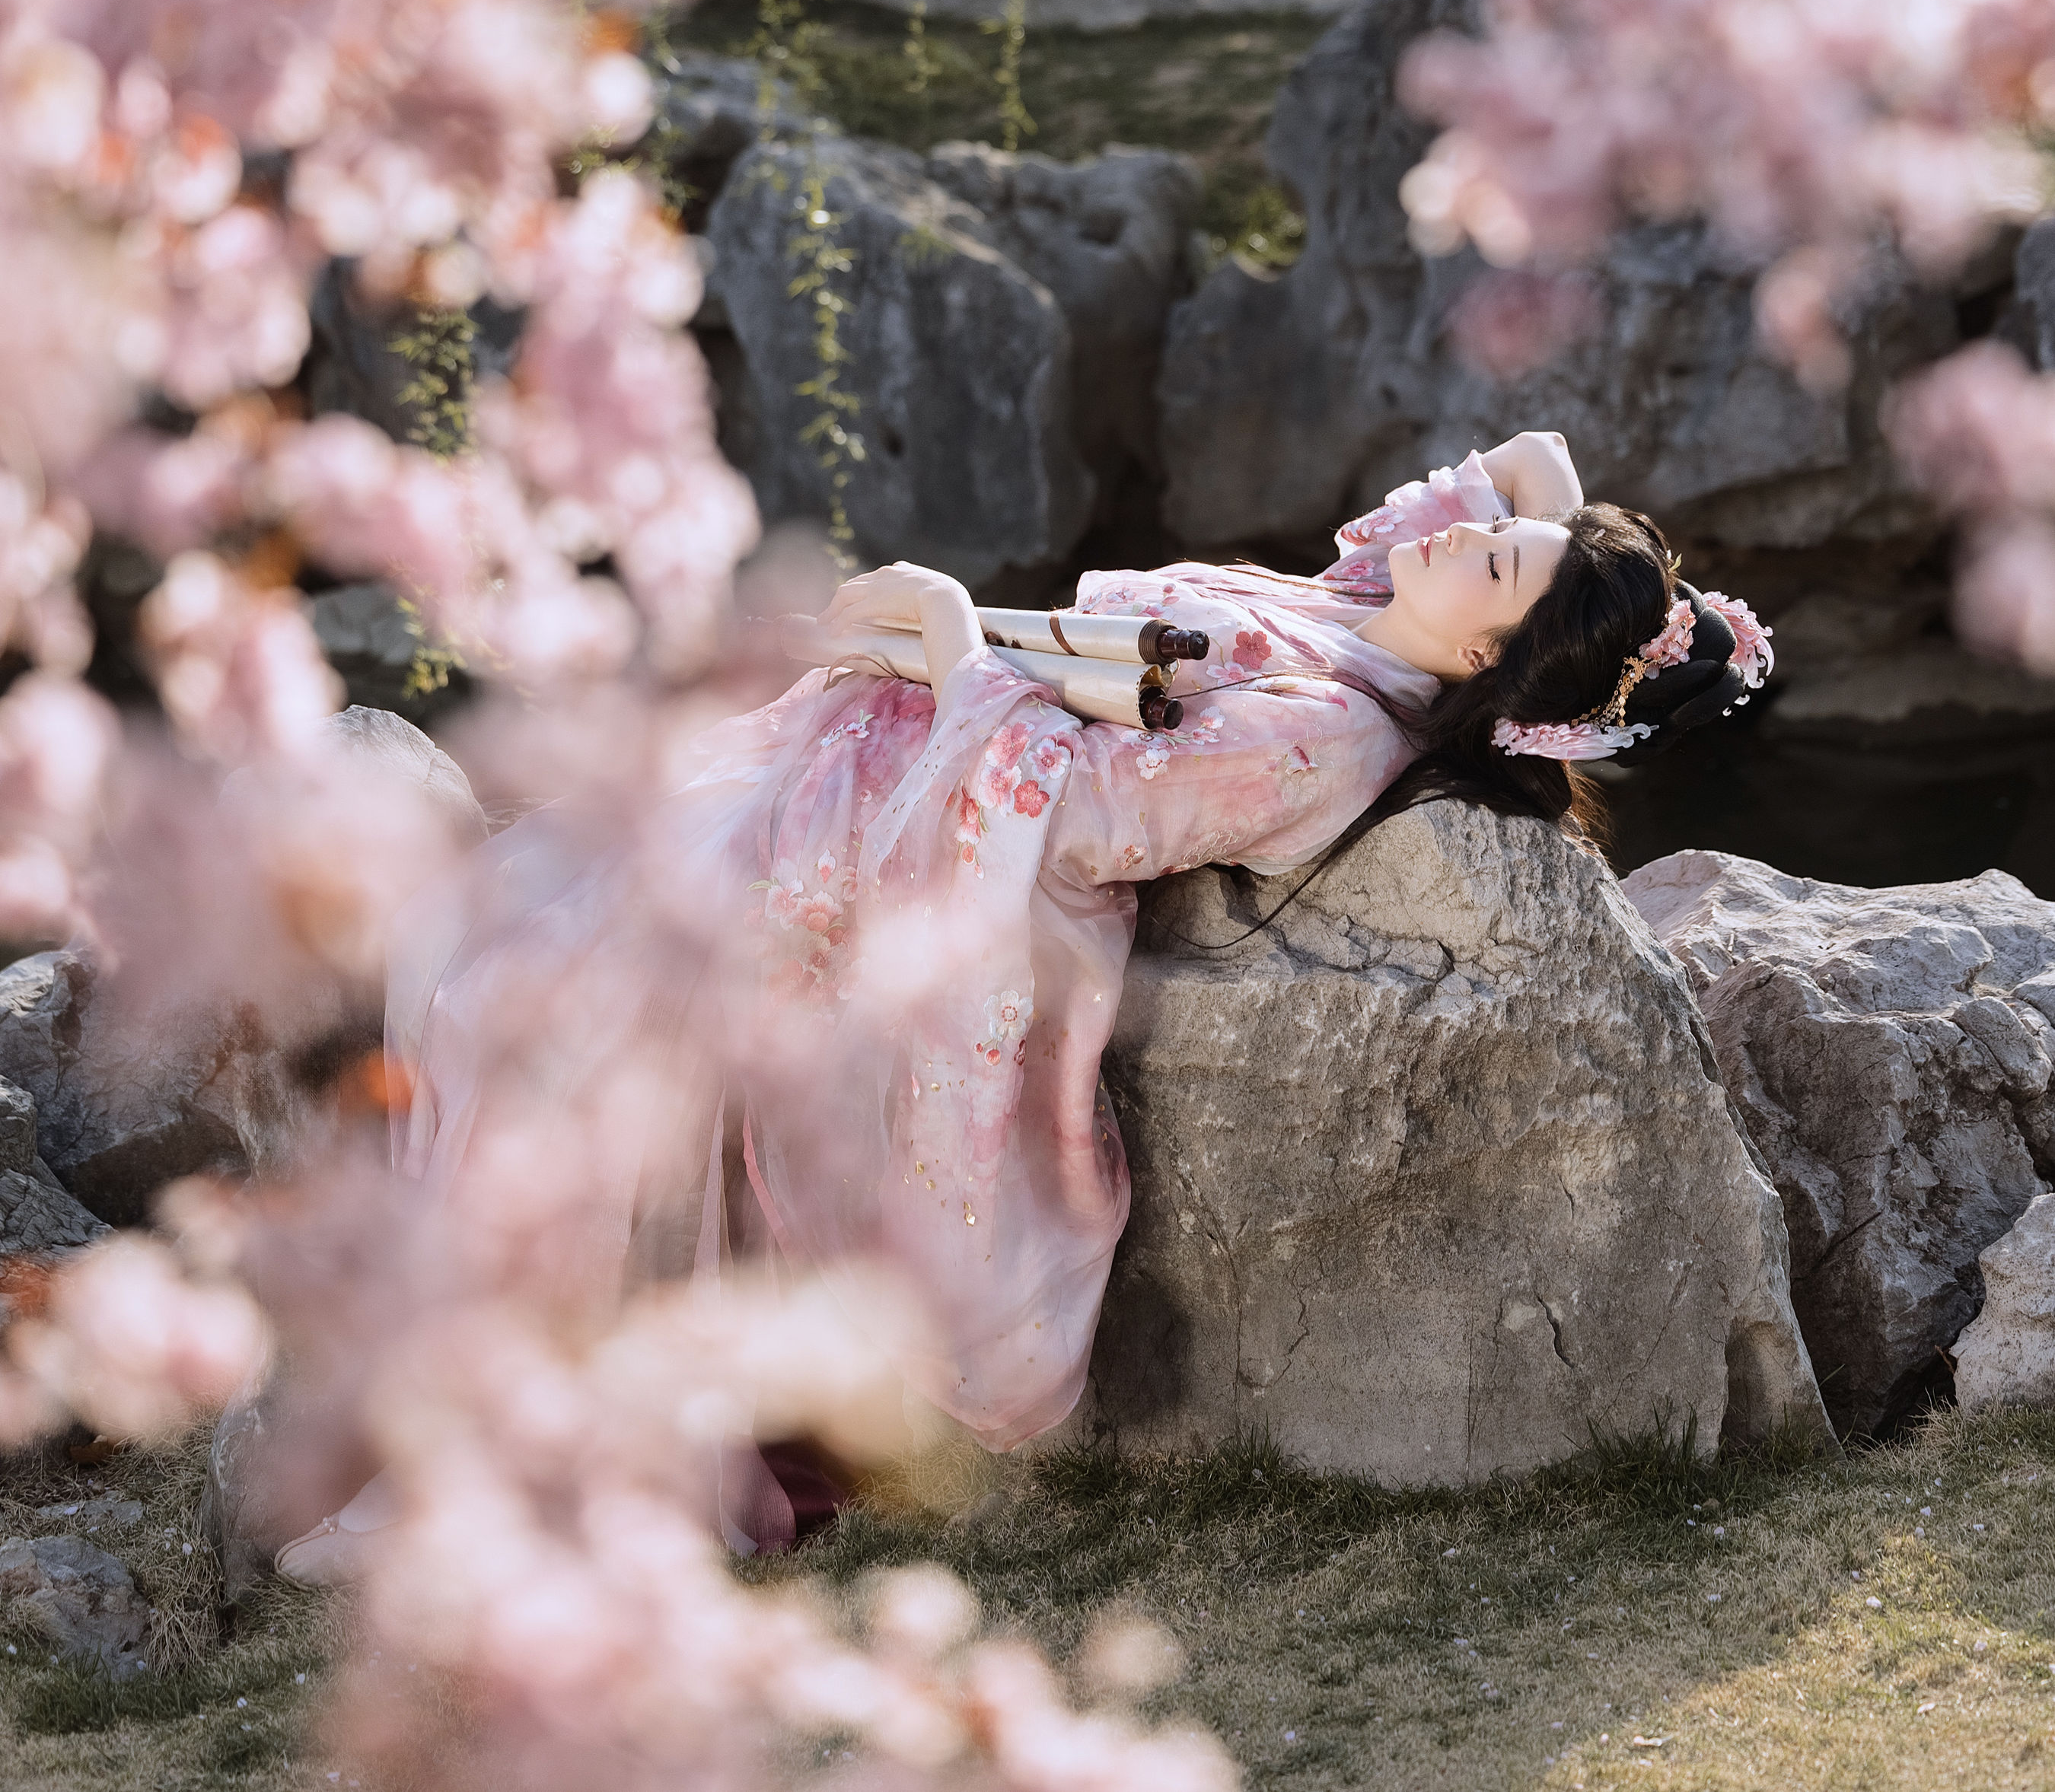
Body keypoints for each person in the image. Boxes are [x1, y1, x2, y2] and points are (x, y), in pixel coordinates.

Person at [277, 430, 1770, 1576]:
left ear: (1485, 663)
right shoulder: (1373, 604)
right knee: (498, 948)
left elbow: (1091, 816)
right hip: (856, 773)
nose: (1475, 531)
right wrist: (1650, 606)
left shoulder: (1327, 735)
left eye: (1500, 567)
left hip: (896, 841)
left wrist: (945, 633)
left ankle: (525, 1435)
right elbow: (1524, 466)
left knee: (529, 1010)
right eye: (1500, 535)